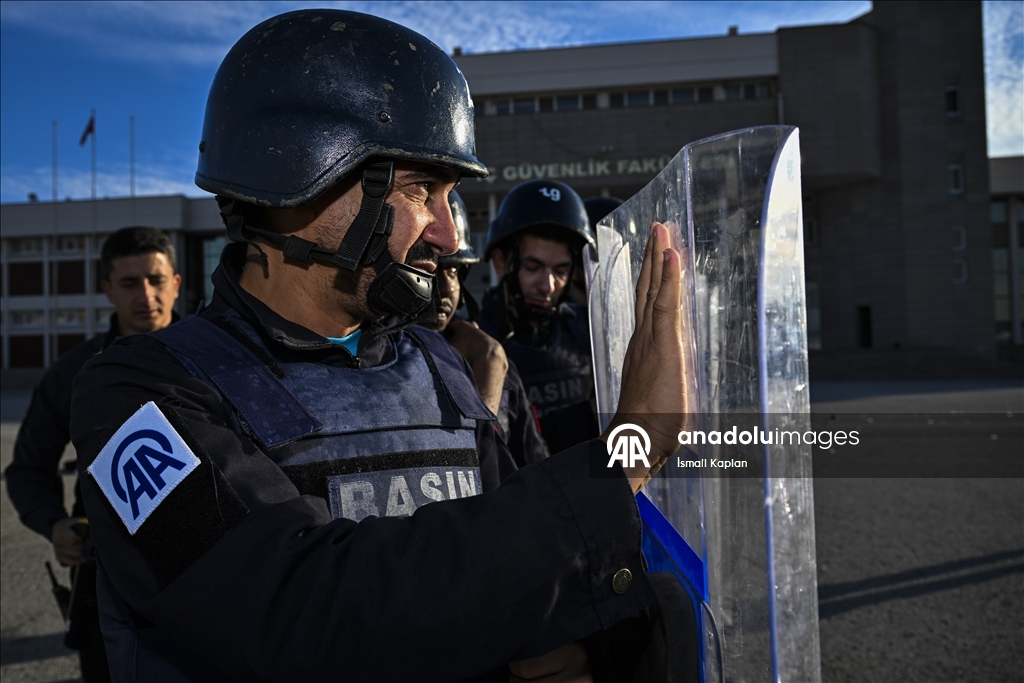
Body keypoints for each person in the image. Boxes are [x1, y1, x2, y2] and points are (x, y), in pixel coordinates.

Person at [69, 10, 688, 681]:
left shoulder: (435, 361)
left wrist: (570, 645)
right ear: (298, 172)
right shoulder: (135, 398)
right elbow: (298, 610)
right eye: (421, 188)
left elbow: (513, 560)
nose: (449, 237)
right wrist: (624, 458)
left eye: (450, 197)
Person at [5, 226, 181, 683]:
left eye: (156, 279)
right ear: (106, 290)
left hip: (213, 567)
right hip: (108, 577)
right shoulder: (74, 374)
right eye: (129, 283)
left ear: (176, 283)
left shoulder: (222, 360)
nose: (146, 295)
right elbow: (27, 467)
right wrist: (53, 523)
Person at [427, 190, 550, 468]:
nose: (447, 289)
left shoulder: (497, 364)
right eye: (432, 270)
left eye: (454, 272)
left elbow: (536, 470)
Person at [479, 180, 601, 454]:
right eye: (533, 267)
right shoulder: (474, 344)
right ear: (501, 263)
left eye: (560, 271)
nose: (547, 286)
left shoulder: (590, 330)